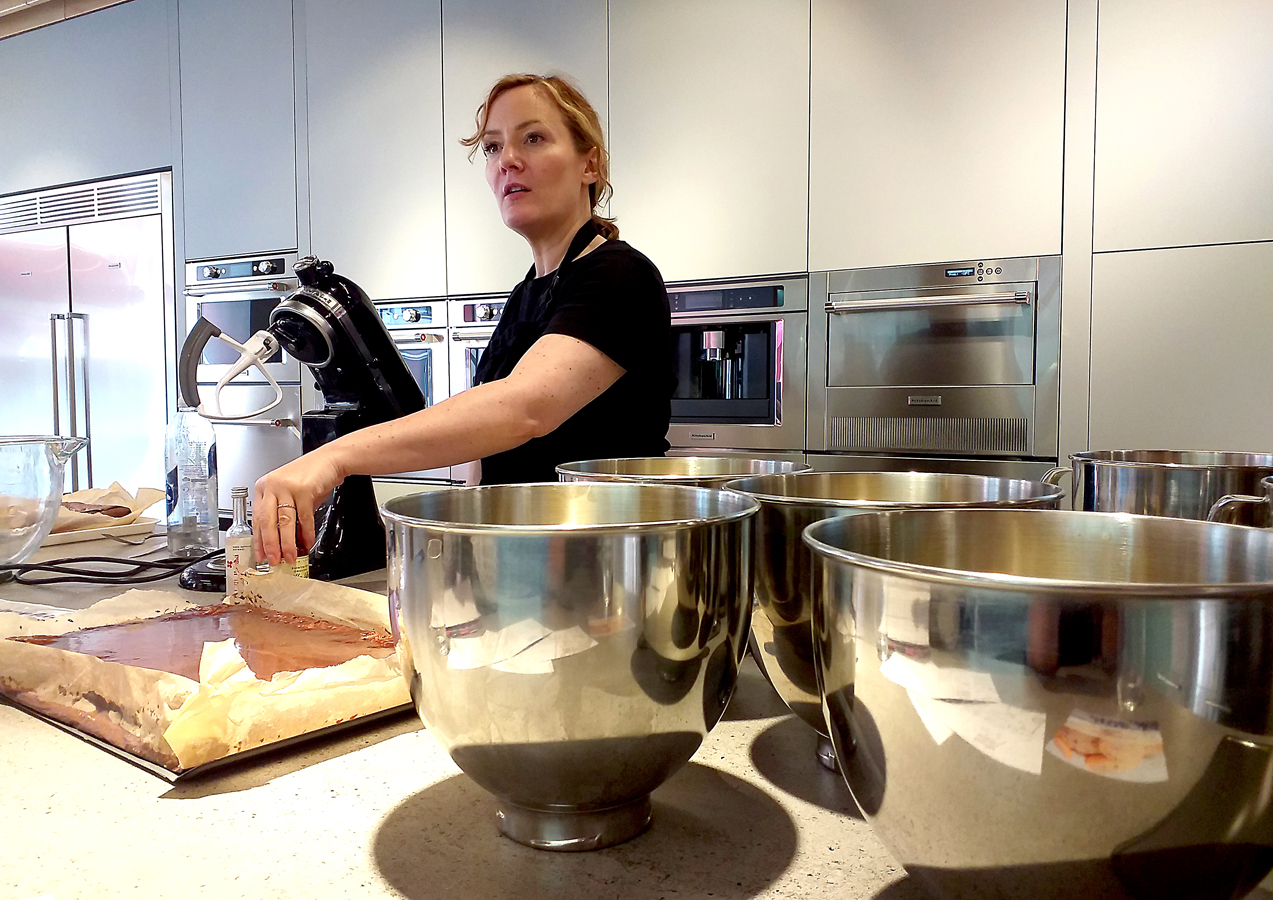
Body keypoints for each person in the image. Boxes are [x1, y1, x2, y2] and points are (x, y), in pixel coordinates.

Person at [252, 73, 674, 567]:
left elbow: (524, 408)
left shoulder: (620, 275)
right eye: (493, 147)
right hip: (526, 566)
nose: (507, 160)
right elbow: (487, 450)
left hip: (604, 572)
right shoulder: (527, 294)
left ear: (590, 164)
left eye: (533, 138)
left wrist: (334, 456)